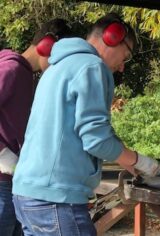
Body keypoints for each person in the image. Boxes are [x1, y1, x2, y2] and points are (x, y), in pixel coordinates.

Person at [12, 13, 160, 235]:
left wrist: (125, 160)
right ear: (112, 37)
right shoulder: (92, 67)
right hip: (57, 198)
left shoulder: (57, 67)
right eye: (126, 56)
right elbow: (97, 140)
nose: (122, 66)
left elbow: (81, 128)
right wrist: (139, 160)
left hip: (28, 195)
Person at [0, 18, 74, 236]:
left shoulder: (25, 74)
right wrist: (2, 153)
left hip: (14, 181)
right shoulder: (11, 69)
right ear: (47, 45)